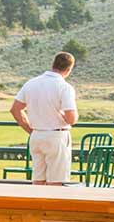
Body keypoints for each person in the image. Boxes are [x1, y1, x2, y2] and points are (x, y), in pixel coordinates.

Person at [9, 51, 78, 186]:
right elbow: (71, 119)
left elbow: (15, 109)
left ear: (53, 64)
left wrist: (30, 130)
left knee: (38, 180)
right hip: (56, 136)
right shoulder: (65, 87)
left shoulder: (31, 83)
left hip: (37, 135)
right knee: (56, 182)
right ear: (69, 69)